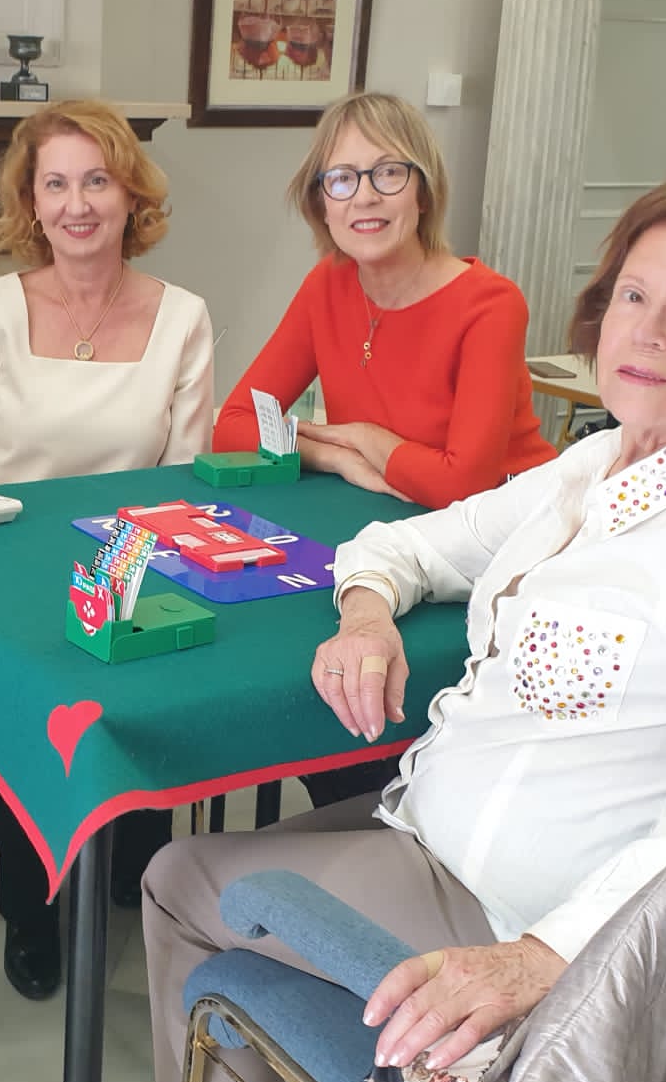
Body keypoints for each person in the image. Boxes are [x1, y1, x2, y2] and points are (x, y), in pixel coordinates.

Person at [142, 173, 666, 1082]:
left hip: (521, 918)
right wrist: (366, 615)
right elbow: (408, 543)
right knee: (220, 910)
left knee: (178, 881)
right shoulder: (599, 463)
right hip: (428, 830)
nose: (648, 330)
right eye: (634, 295)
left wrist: (543, 956)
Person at [0, 100, 215, 1000]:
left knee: (159, 672)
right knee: (15, 687)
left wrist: (125, 565)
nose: (77, 204)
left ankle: (133, 846)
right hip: (3, 558)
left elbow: (185, 480)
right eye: (56, 184)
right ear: (32, 203)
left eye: (97, 181)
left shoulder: (184, 316)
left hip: (135, 560)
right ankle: (28, 896)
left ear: (131, 197)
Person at [212, 90, 555, 807]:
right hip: (380, 538)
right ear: (321, 201)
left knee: (369, 729)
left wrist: (371, 439)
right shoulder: (328, 285)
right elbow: (237, 424)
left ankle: (382, 837)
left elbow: (463, 484)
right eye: (341, 178)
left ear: (423, 190)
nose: (364, 196)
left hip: (504, 548)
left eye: (387, 173)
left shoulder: (490, 304)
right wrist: (337, 455)